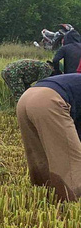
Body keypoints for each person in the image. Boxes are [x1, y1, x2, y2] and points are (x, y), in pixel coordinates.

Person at [16, 73, 81, 201]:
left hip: (26, 98)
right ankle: (70, 208)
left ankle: (43, 201)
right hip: (51, 100)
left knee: (40, 158)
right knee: (71, 165)